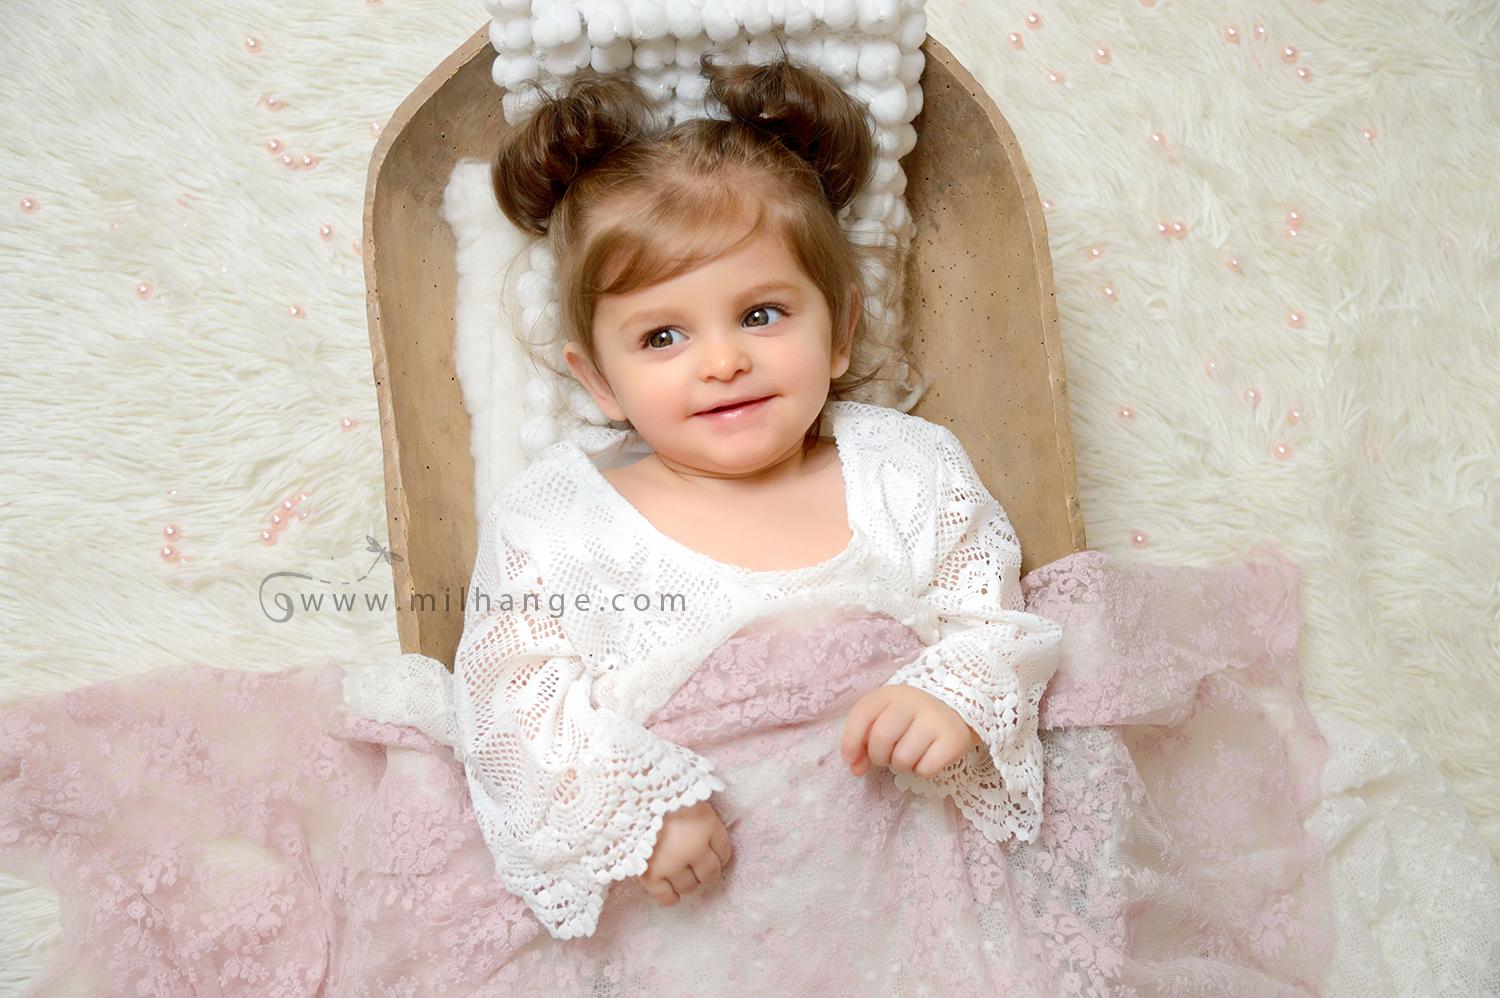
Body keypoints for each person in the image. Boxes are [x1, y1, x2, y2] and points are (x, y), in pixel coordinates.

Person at [443, 57, 1331, 995]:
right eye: (663, 337)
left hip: (911, 873)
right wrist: (634, 809)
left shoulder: (902, 467)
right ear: (597, 380)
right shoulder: (562, 516)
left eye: (761, 314)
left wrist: (954, 696)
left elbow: (995, 620)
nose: (723, 361)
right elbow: (508, 700)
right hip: (698, 898)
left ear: (838, 333)